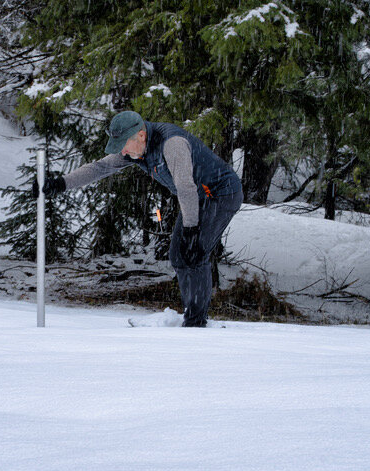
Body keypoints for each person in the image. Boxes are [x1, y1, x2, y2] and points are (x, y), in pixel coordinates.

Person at [41, 110, 243, 328]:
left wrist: (192, 230)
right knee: (178, 254)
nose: (123, 151)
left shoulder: (172, 144)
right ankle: (192, 316)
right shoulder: (134, 149)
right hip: (195, 197)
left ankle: (196, 323)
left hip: (220, 194)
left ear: (141, 135)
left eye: (124, 144)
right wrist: (60, 184)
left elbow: (185, 187)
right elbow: (100, 167)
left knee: (194, 253)